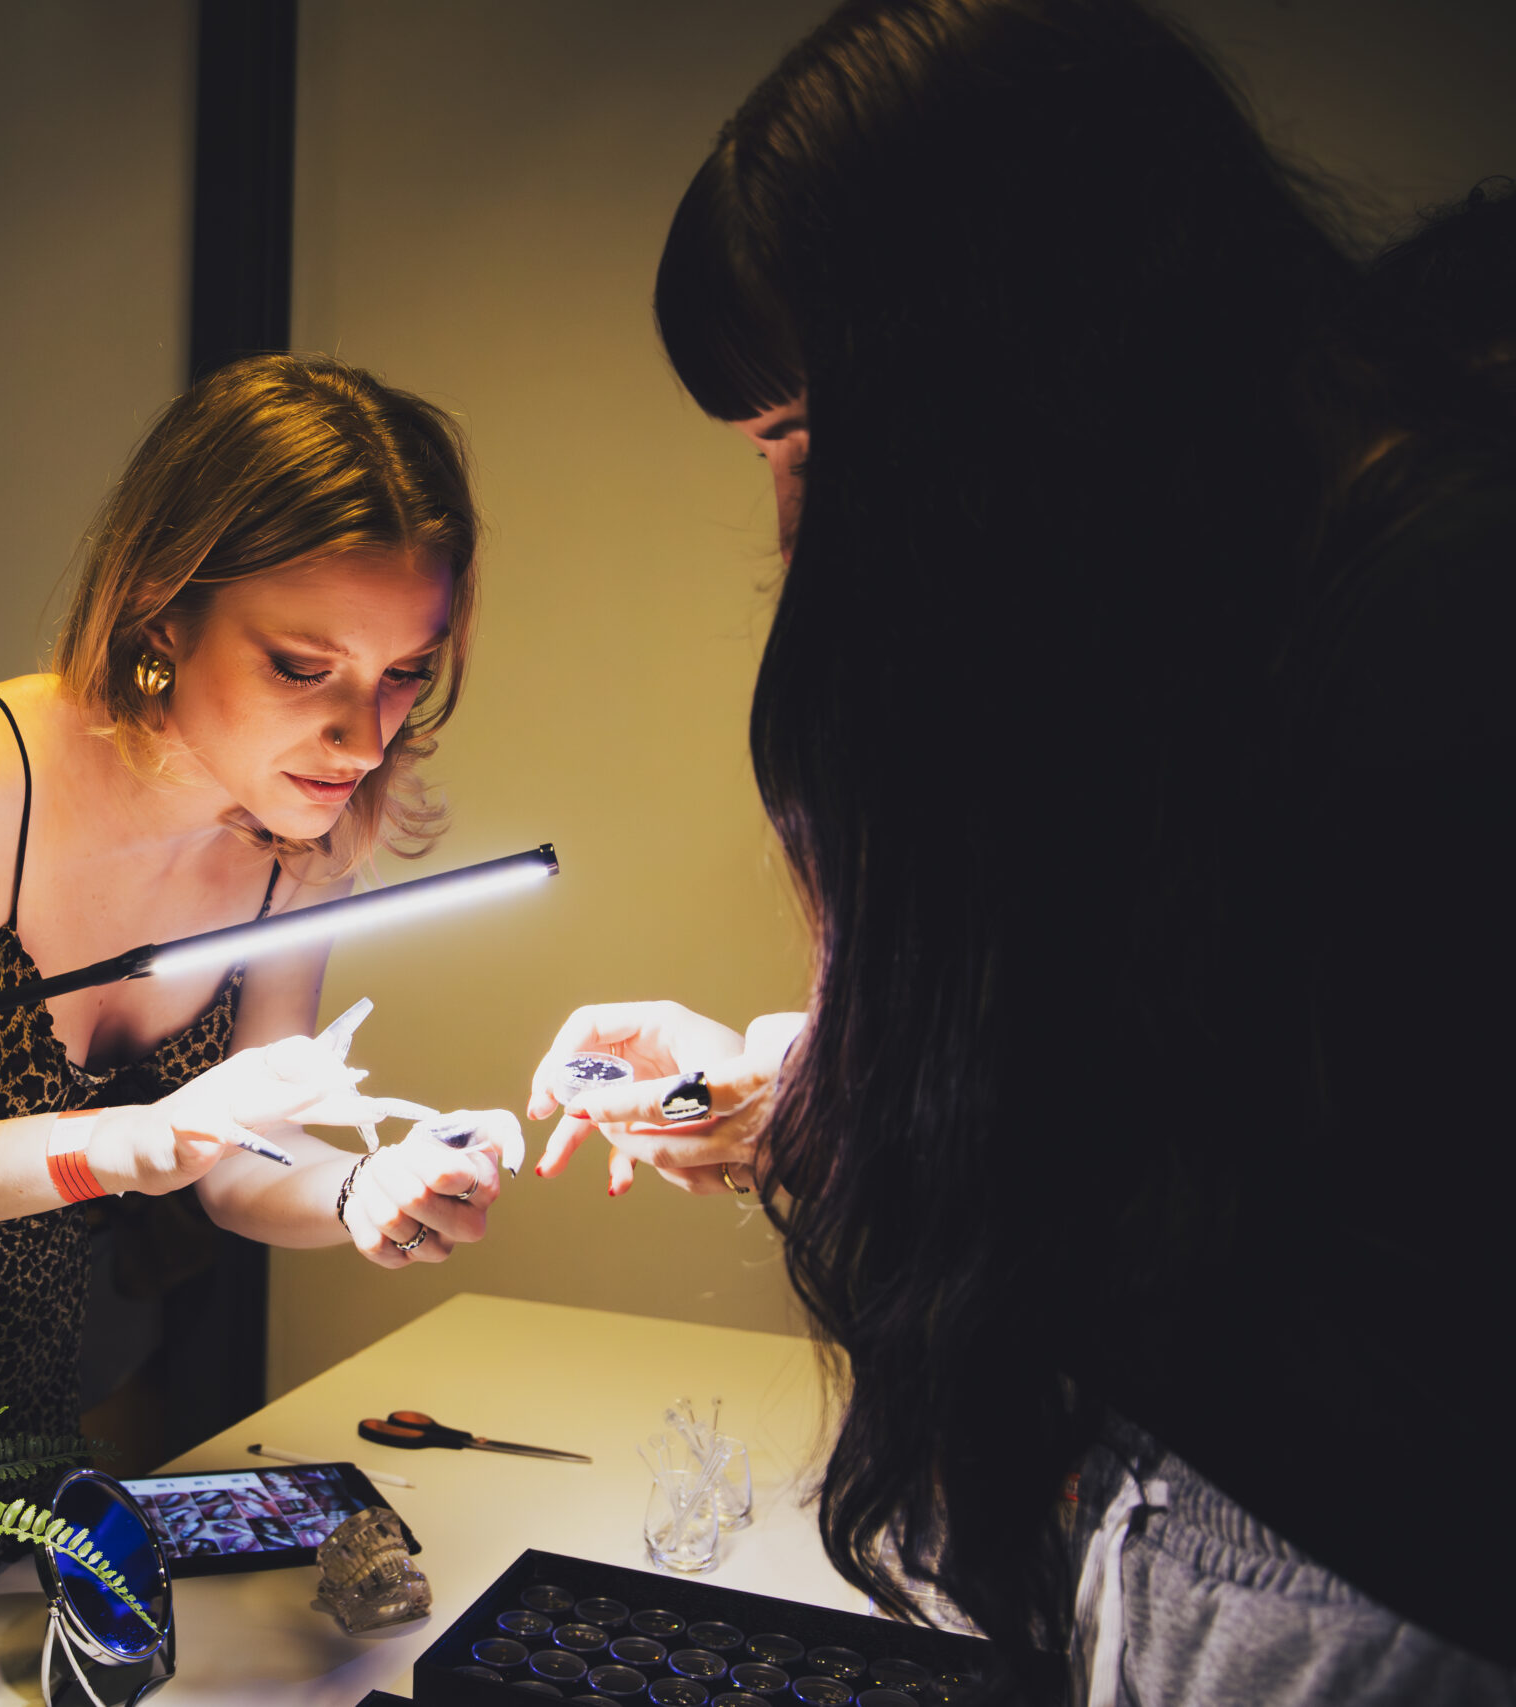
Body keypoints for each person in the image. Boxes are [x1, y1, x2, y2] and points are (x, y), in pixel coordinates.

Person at [530, 1, 1515, 1700]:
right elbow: (1196, 1082)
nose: (790, 533)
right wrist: (807, 1086)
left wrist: (880, 1119)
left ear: (1015, 366)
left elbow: (1316, 1246)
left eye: (807, 438)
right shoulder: (1239, 614)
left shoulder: (1434, 639)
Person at [0, 352, 523, 1605]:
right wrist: (111, 1146)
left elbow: (239, 1161)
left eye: (405, 671)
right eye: (303, 668)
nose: (363, 738)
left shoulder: (301, 839)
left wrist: (361, 1189)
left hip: (25, 1446)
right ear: (160, 608)